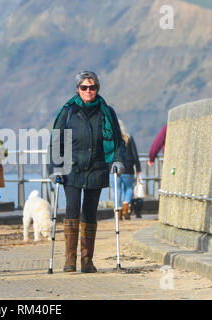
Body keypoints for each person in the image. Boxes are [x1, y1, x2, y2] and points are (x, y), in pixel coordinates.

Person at [49, 71, 126, 273]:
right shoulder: (68, 112)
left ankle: (87, 261)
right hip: (71, 169)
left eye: (92, 87)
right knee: (72, 210)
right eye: (84, 87)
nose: (88, 91)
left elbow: (118, 141)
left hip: (97, 168)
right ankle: (69, 260)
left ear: (97, 88)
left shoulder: (106, 112)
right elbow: (56, 142)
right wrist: (55, 168)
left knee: (90, 214)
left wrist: (117, 161)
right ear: (78, 89)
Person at [109, 120, 142, 220]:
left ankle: (118, 213)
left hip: (113, 167)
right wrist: (138, 168)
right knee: (129, 189)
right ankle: (125, 207)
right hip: (128, 168)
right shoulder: (128, 138)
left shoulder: (110, 138)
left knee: (116, 190)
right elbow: (135, 154)